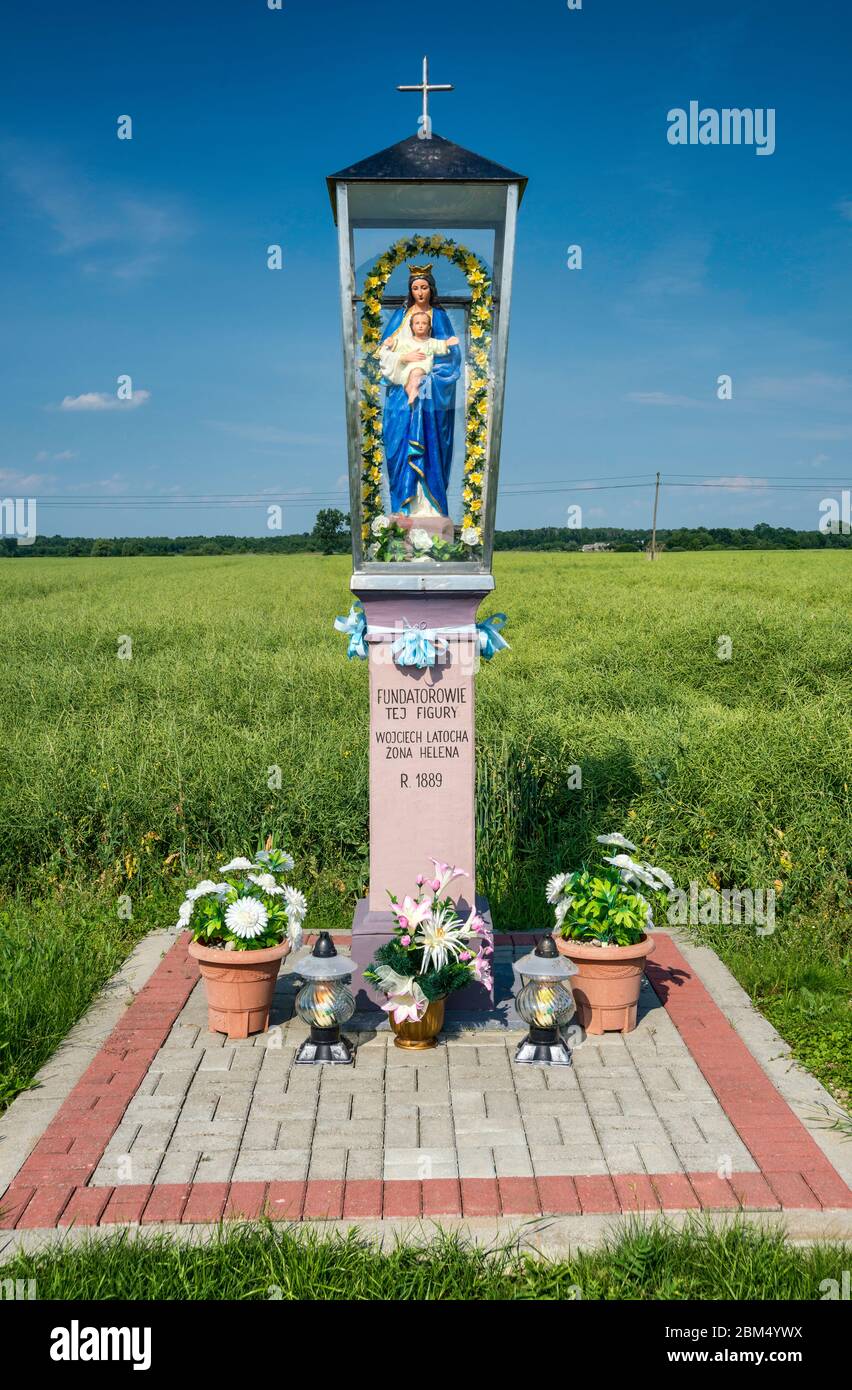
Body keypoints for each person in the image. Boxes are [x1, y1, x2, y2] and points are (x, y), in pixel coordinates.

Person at [379, 265, 462, 517]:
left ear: (431, 288)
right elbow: (384, 352)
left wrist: (428, 377)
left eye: (424, 287)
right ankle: (403, 511)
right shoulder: (401, 317)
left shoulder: (439, 317)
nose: (420, 293)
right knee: (398, 447)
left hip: (430, 396)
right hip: (400, 395)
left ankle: (430, 511)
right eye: (415, 288)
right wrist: (405, 357)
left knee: (431, 446)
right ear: (410, 290)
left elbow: (450, 356)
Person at [380, 308, 459, 405]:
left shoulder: (431, 342)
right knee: (406, 382)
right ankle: (411, 394)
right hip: (407, 369)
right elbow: (398, 345)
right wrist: (391, 343)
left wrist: (448, 343)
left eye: (424, 323)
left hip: (422, 367)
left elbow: (440, 346)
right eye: (417, 323)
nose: (420, 326)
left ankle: (414, 391)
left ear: (429, 327)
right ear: (412, 326)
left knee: (417, 373)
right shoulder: (407, 341)